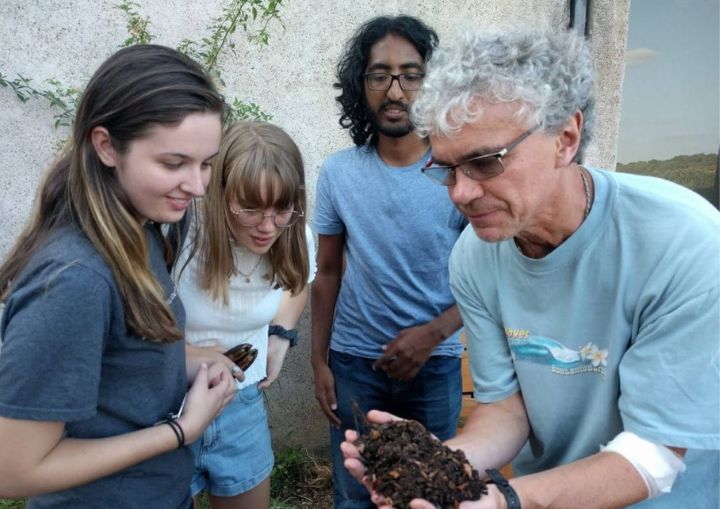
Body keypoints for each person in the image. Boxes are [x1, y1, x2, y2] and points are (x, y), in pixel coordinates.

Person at [342, 28, 720, 509]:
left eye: (484, 161)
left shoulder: (683, 242)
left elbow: (655, 455)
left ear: (566, 138)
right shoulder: (475, 256)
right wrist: (439, 465)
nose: (459, 193)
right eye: (448, 168)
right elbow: (506, 407)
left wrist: (504, 501)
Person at [0, 44, 238, 508]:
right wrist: (181, 430)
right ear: (106, 146)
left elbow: (116, 366)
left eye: (205, 163)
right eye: (173, 163)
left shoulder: (140, 228)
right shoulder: (75, 279)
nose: (198, 186)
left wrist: (192, 362)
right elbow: (13, 470)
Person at [312, 15, 466, 508]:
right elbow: (328, 272)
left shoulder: (461, 176)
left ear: (432, 82)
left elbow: (493, 281)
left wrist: (433, 335)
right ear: (362, 85)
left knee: (431, 495)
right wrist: (319, 360)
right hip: (356, 362)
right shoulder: (338, 173)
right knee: (355, 495)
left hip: (436, 365)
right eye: (379, 75)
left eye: (411, 74)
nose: (395, 90)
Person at [173, 121, 316, 509]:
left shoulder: (294, 234)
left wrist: (280, 334)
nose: (267, 226)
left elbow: (298, 280)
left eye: (281, 208)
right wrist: (192, 358)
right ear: (220, 194)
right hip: (168, 400)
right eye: (250, 207)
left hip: (242, 400)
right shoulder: (183, 234)